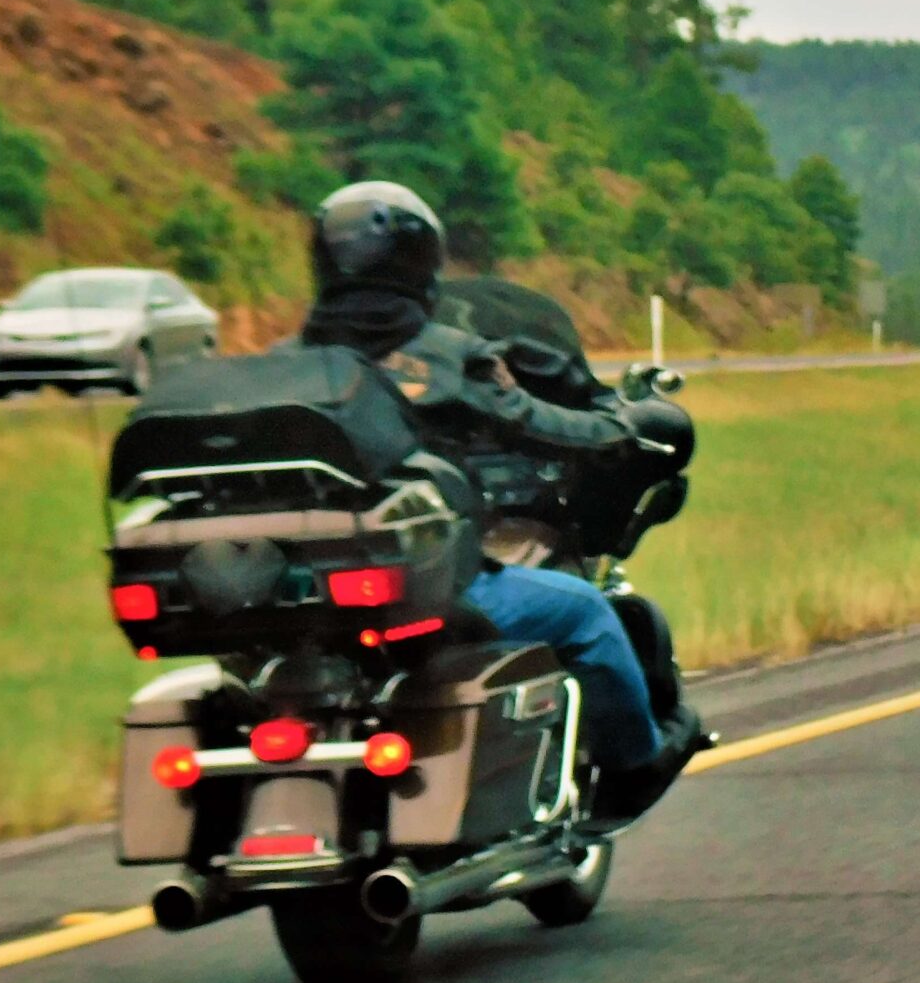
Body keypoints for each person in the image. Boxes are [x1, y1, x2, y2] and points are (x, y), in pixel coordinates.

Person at [299, 180, 703, 819]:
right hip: (425, 588)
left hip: (312, 598)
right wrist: (618, 429)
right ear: (420, 262)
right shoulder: (441, 357)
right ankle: (635, 764)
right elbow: (536, 421)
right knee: (588, 613)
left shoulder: (296, 366)